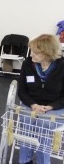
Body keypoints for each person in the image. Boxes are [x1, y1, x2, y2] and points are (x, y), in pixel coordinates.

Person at [18, 34, 64, 164]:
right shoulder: (28, 64)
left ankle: (42, 161)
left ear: (48, 53)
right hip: (32, 103)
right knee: (26, 120)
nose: (31, 55)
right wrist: (33, 105)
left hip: (55, 106)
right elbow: (22, 91)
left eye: (36, 53)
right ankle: (25, 160)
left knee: (43, 124)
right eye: (31, 51)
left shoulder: (62, 66)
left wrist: (50, 107)